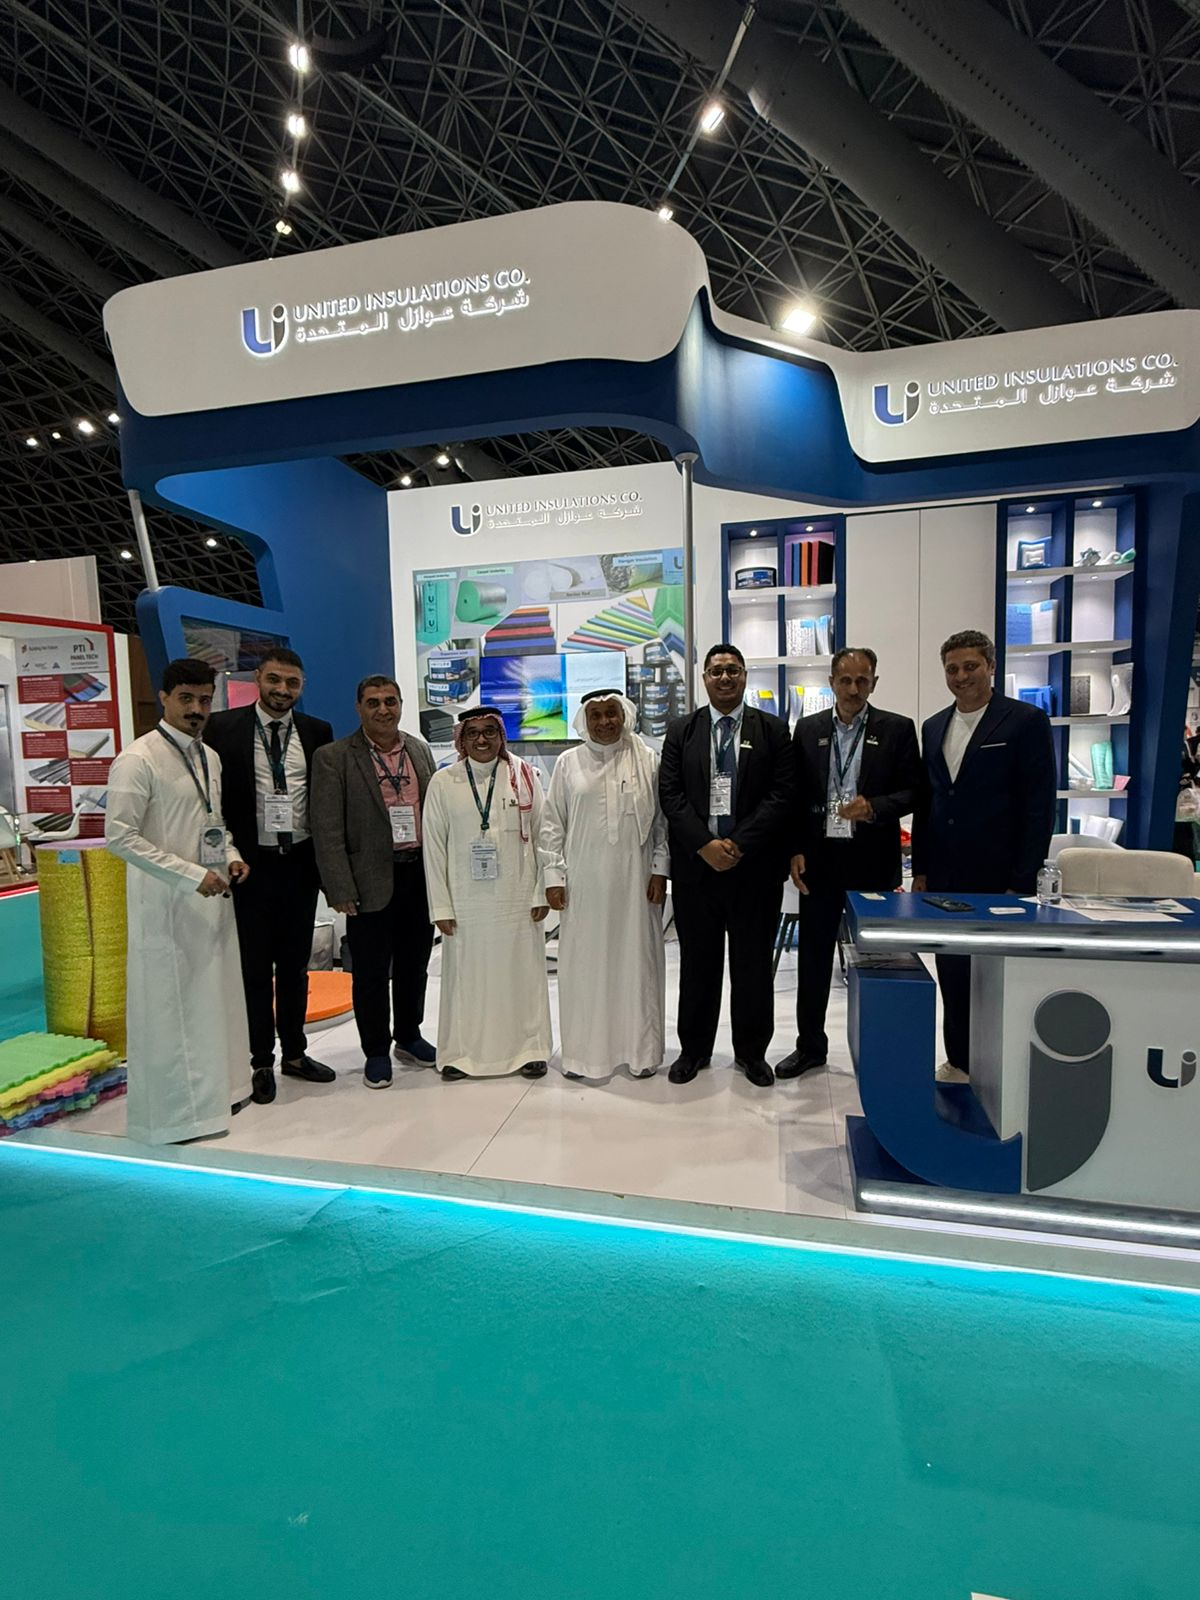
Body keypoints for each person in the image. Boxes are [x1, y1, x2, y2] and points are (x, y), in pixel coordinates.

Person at [105, 658, 251, 1143]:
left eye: (204, 699)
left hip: (211, 899)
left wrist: (230, 857)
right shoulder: (138, 760)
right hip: (166, 907)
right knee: (173, 1011)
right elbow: (120, 837)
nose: (196, 709)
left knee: (213, 1002)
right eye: (186, 698)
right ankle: (175, 1116)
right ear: (164, 698)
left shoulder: (209, 757)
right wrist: (189, 876)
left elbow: (213, 822)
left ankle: (218, 1096)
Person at [911, 629, 1056, 1078]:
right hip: (946, 878)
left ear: (991, 667)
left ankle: (999, 1069)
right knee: (953, 975)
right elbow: (928, 802)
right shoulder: (933, 726)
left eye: (970, 666)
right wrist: (921, 868)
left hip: (1001, 878)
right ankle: (959, 1062)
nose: (961, 676)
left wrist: (1023, 879)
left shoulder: (1025, 721)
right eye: (952, 669)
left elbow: (1039, 807)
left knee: (997, 979)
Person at [658, 642, 794, 1087]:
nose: (725, 678)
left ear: (744, 676)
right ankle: (694, 1051)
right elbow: (671, 796)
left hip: (754, 870)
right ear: (704, 678)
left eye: (733, 670)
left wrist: (737, 843)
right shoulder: (681, 730)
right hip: (697, 871)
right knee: (698, 965)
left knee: (752, 966)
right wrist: (705, 845)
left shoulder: (773, 730)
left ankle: (752, 1054)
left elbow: (782, 795)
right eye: (716, 671)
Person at [204, 647, 335, 1105]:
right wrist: (225, 856)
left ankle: (295, 1053)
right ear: (258, 678)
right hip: (249, 867)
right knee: (255, 969)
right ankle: (260, 1059)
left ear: (302, 686)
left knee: (296, 967)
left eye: (292, 683)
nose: (282, 690)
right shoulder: (222, 728)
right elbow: (214, 804)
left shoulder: (317, 732)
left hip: (299, 864)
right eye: (275, 680)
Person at [784, 647, 922, 1079]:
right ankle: (810, 1047)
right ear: (831, 683)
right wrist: (795, 849)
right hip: (820, 861)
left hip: (872, 862)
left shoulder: (897, 729)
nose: (853, 688)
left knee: (878, 961)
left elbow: (915, 792)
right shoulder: (807, 729)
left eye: (862, 680)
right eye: (845, 680)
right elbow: (794, 797)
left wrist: (875, 807)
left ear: (874, 683)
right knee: (813, 960)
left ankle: (881, 1051)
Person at [309, 676, 437, 1089]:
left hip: (419, 875)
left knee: (415, 964)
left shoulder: (419, 750)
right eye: (373, 702)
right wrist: (339, 888)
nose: (383, 710)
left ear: (400, 705)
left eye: (390, 701)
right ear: (359, 708)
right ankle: (377, 1051)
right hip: (367, 882)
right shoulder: (334, 758)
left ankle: (409, 1035)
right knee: (370, 972)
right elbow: (327, 829)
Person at [541, 689, 669, 1082]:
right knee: (585, 968)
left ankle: (641, 1053)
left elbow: (662, 824)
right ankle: (584, 1056)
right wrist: (553, 877)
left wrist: (660, 870)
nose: (604, 722)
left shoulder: (647, 760)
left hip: (636, 884)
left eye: (611, 713)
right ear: (584, 721)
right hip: (585, 885)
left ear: (624, 715)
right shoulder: (568, 763)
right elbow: (552, 825)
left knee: (638, 967)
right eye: (595, 715)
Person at [422, 705, 552, 1080]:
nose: (482, 739)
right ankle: (461, 1054)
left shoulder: (524, 775)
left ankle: (530, 1050)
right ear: (461, 739)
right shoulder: (444, 782)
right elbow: (434, 848)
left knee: (522, 974)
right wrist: (440, 906)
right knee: (467, 978)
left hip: (517, 897)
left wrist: (542, 891)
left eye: (489, 732)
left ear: (501, 736)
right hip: (465, 902)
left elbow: (544, 836)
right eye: (473, 733)